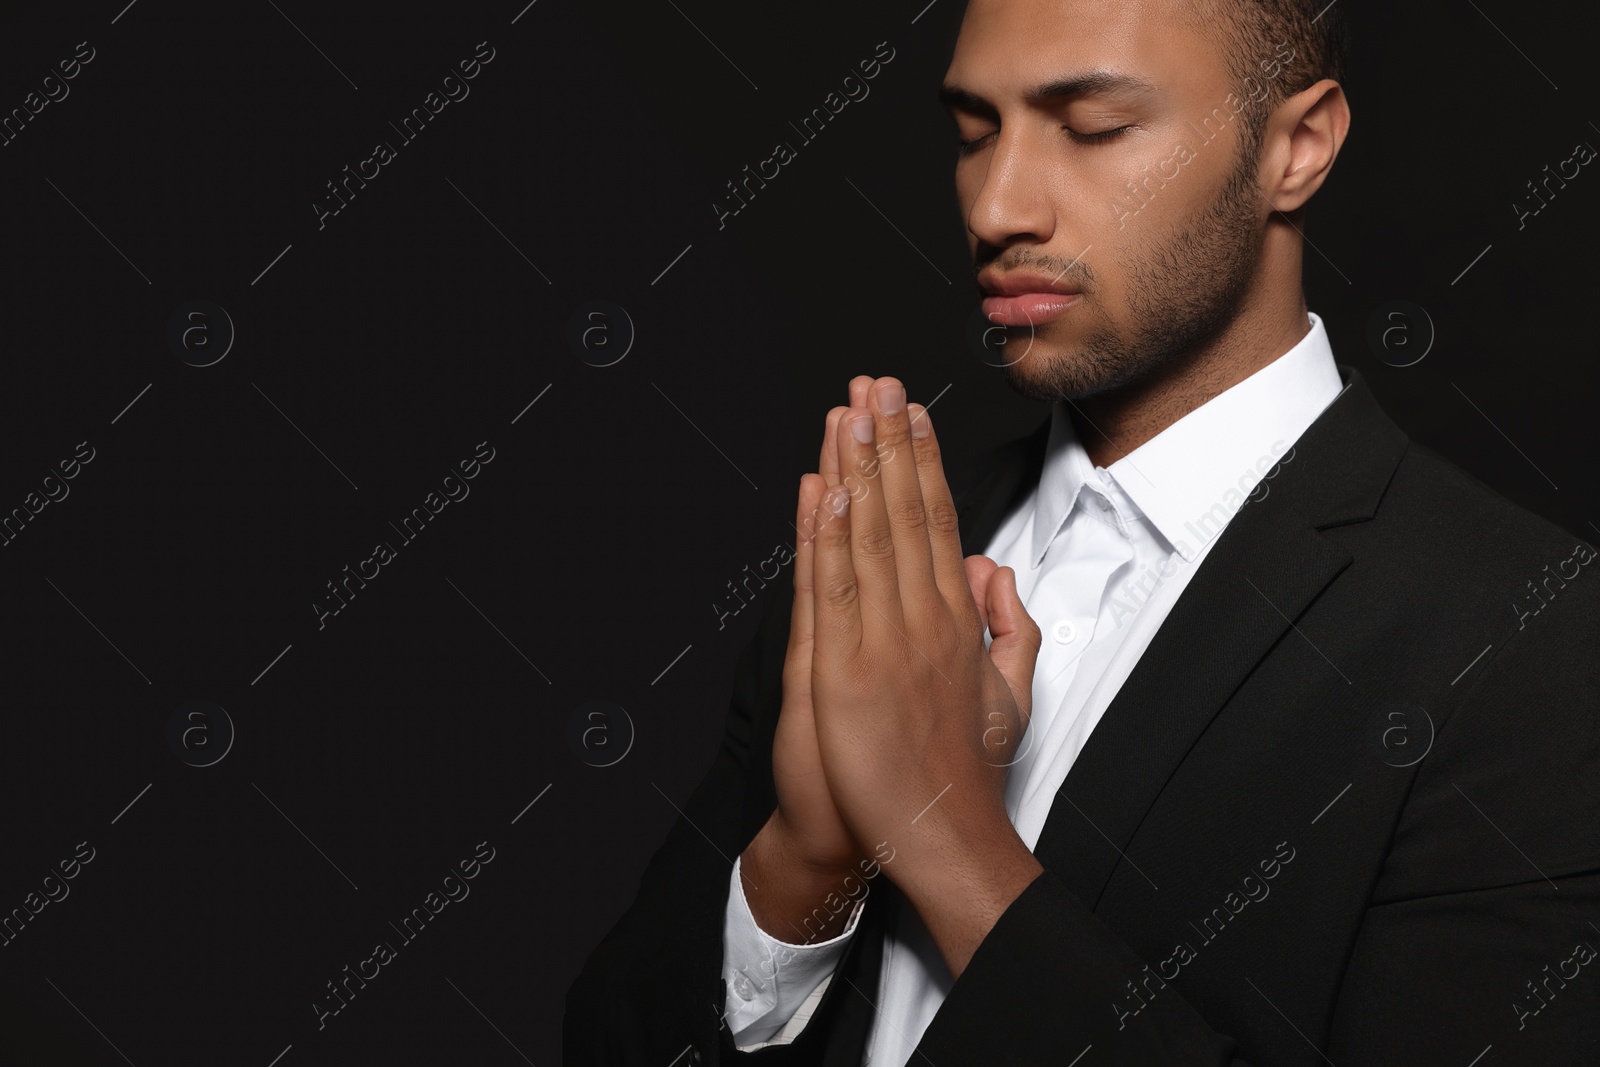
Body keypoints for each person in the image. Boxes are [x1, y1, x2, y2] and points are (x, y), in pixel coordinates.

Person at [566, 0, 1600, 1062]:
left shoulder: (1532, 641)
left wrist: (943, 835)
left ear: (1295, 147)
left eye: (1094, 128)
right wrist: (809, 859)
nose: (998, 204)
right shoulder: (877, 554)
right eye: (973, 131)